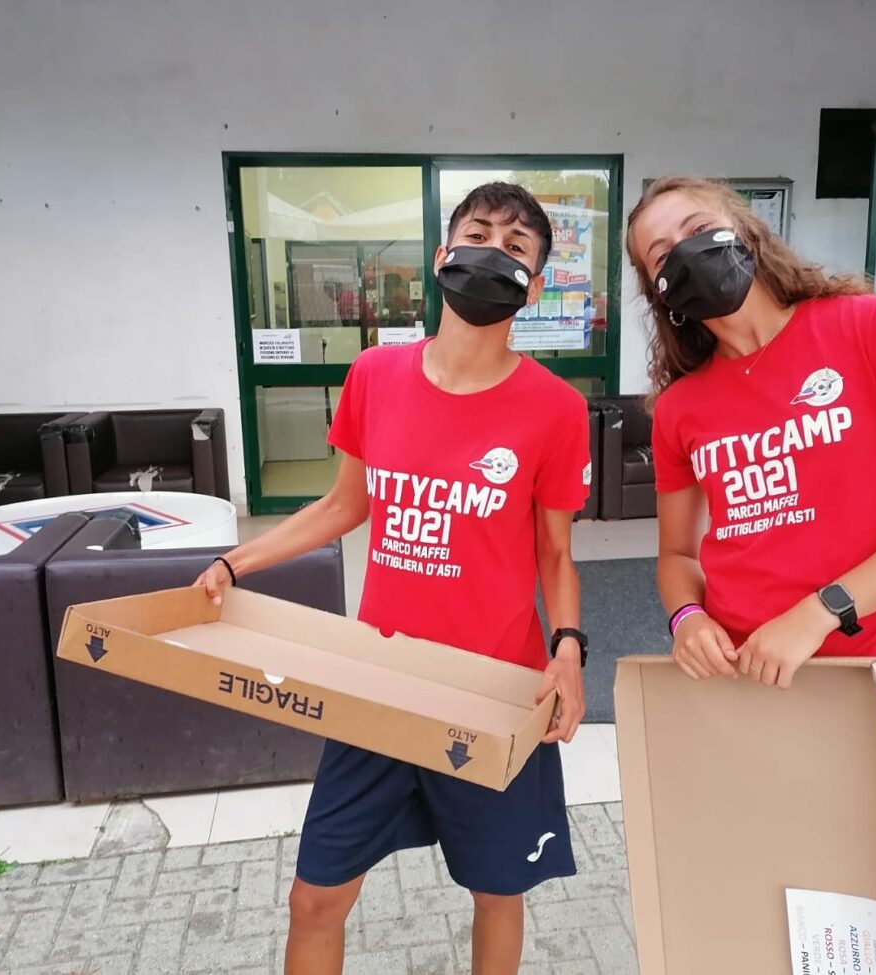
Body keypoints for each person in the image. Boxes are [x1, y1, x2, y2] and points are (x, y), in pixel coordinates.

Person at [196, 181, 592, 975]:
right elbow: (345, 504)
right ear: (442, 256)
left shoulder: (554, 407)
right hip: (379, 684)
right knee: (314, 898)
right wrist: (238, 561)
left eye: (516, 247)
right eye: (478, 234)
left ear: (534, 286)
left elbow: (554, 552)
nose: (493, 252)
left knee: (497, 892)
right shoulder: (376, 374)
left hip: (492, 689)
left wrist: (570, 649)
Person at [625, 176, 876, 876]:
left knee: (863, 906)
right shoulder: (680, 409)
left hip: (867, 681)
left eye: (698, 228)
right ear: (659, 292)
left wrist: (818, 613)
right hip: (742, 688)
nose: (686, 252)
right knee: (755, 892)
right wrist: (687, 618)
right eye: (662, 253)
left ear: (746, 230)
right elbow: (676, 554)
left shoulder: (874, 327)